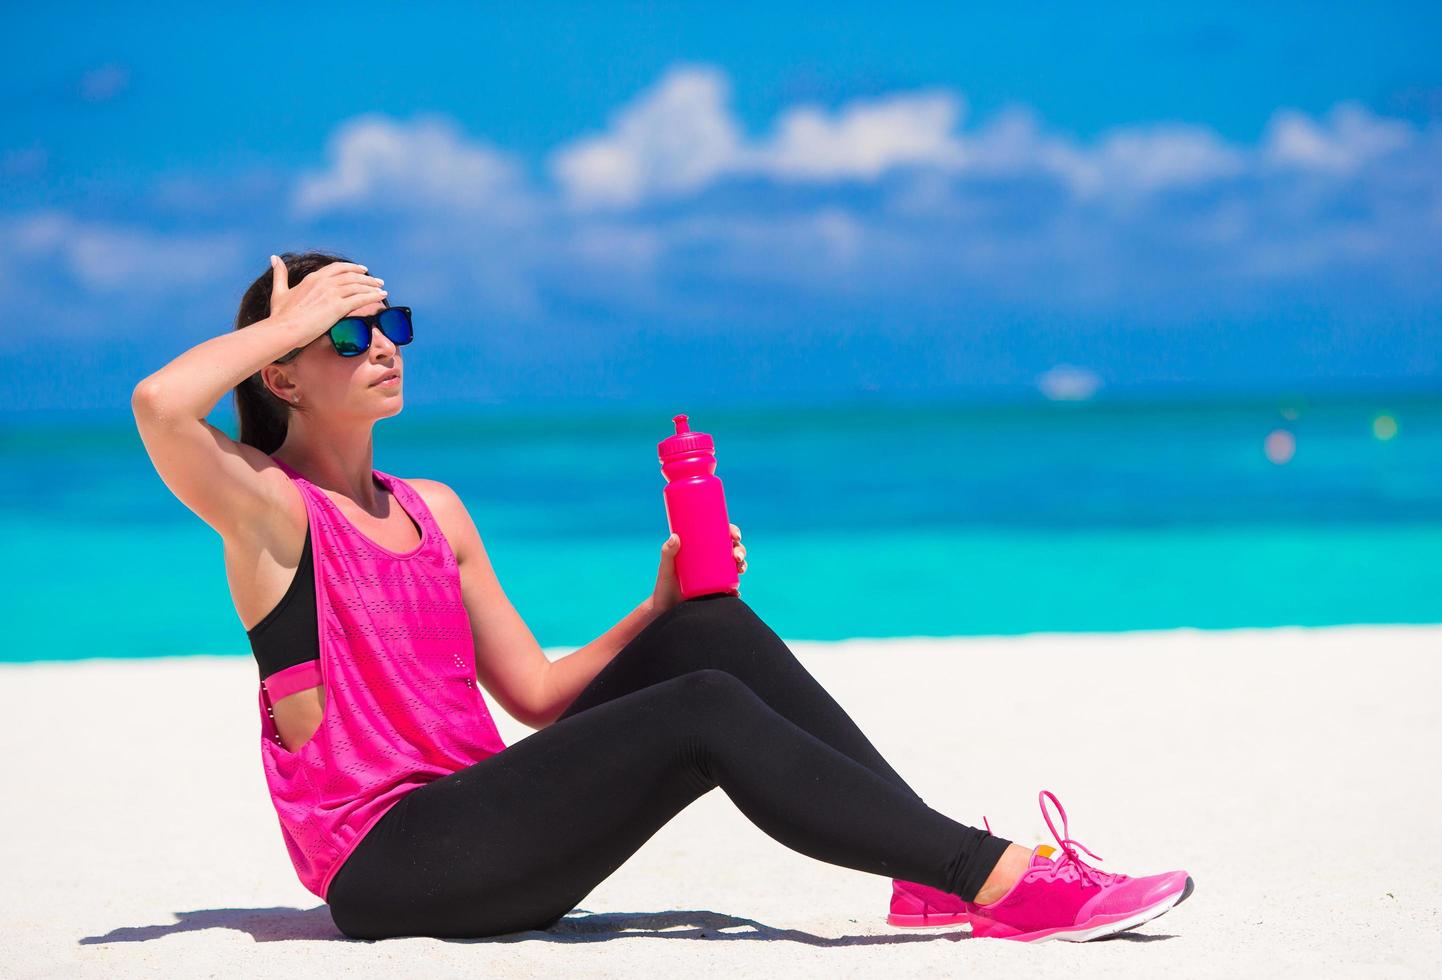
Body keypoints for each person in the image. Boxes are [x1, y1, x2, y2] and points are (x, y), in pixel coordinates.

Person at [131, 250, 1192, 943]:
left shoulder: (434, 510)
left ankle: (925, 868)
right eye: (349, 336)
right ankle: (991, 874)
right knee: (703, 713)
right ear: (282, 373)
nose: (383, 349)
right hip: (390, 865)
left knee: (708, 630)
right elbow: (160, 407)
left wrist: (658, 605)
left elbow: (540, 694)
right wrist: (291, 316)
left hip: (485, 824)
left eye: (388, 323)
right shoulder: (273, 514)